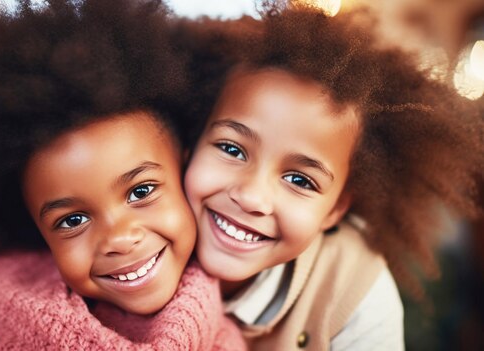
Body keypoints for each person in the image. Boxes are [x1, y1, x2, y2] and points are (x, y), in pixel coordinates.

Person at [0, 0, 245, 349]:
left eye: (141, 192)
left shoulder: (243, 271)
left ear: (185, 167)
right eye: (73, 220)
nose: (119, 237)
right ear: (34, 231)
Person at [181, 3, 484, 350]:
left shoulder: (353, 288)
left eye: (300, 180)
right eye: (232, 150)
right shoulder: (137, 240)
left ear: (336, 207)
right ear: (192, 141)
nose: (251, 196)